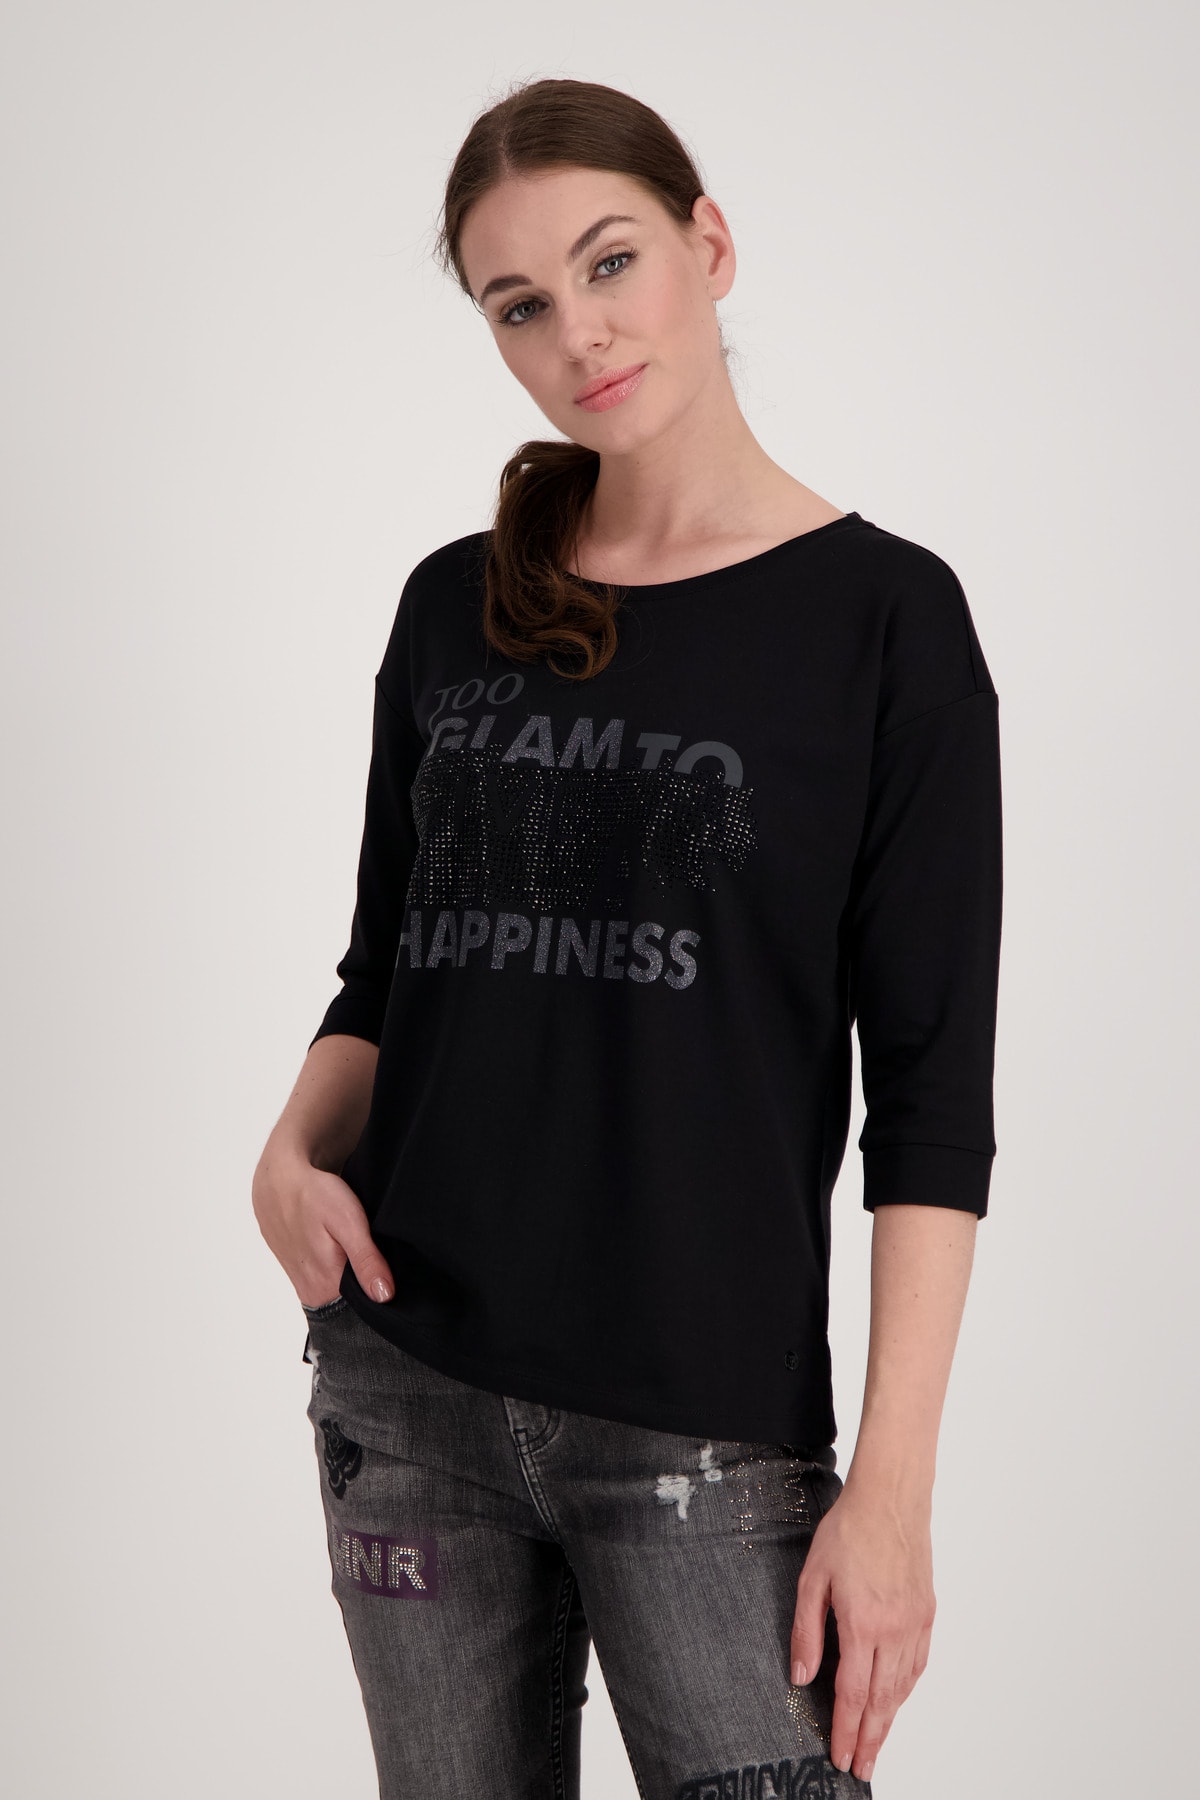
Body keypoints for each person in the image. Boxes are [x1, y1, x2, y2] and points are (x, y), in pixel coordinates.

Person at [252, 76, 1003, 1800]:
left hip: (702, 1429)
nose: (577, 333)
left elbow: (931, 1102)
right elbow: (387, 969)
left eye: (610, 263)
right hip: (407, 1393)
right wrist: (289, 1150)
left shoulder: (887, 622)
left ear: (708, 245)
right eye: (519, 304)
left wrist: (892, 1496)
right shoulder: (453, 604)